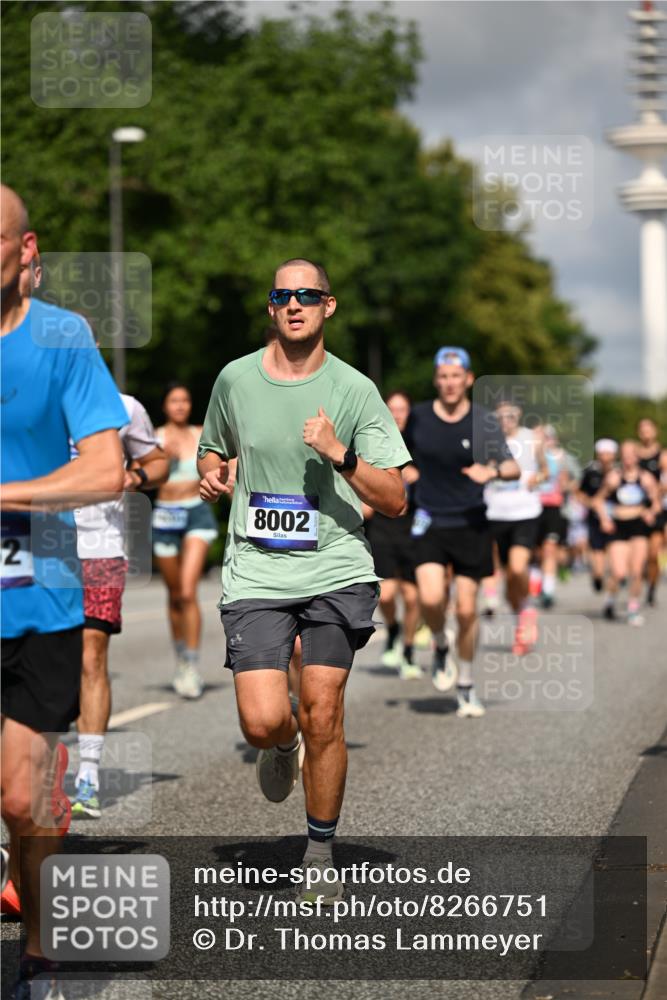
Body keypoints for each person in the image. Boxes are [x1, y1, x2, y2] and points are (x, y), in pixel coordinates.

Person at [198, 259, 409, 902]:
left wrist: (340, 453)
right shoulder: (235, 378)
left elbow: (396, 496)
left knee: (324, 711)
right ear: (271, 308)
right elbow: (211, 446)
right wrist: (211, 471)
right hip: (258, 567)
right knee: (265, 721)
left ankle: (319, 847)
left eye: (306, 296)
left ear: (328, 307)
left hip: (336, 567)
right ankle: (279, 745)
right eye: (282, 296)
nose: (294, 304)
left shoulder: (354, 390)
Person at [0, 185, 127, 996]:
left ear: (25, 250)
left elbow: (106, 468)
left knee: (19, 795)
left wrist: (6, 495)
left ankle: (40, 937)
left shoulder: (63, 337)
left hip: (36, 593)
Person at [405, 347, 519, 718]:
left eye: (456, 376)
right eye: (443, 376)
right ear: (436, 380)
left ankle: (467, 685)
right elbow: (397, 456)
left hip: (471, 522)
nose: (449, 383)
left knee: (468, 610)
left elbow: (513, 468)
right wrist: (404, 473)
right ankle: (440, 644)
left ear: (468, 379)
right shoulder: (418, 418)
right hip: (429, 519)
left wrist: (494, 472)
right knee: (431, 597)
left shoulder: (484, 422)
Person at [70, 394, 168, 818]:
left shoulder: (122, 407)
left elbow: (159, 461)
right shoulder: (26, 395)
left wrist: (135, 476)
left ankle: (87, 776)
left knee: (91, 655)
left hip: (100, 549)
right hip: (34, 549)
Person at [154, 383, 219, 699]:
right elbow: (140, 477)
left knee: (187, 589)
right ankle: (180, 657)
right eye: (173, 400)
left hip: (196, 514)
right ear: (165, 406)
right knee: (174, 595)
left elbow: (220, 466)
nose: (180, 405)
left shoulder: (201, 433)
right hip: (165, 516)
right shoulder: (155, 438)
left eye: (184, 400)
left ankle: (192, 664)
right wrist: (162, 461)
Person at [364, 390, 422, 679]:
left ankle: (409, 650)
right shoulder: (373, 440)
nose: (397, 414)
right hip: (383, 525)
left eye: (403, 409)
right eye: (393, 409)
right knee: (386, 596)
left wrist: (419, 476)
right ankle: (394, 629)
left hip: (415, 525)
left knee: (413, 598)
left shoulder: (421, 441)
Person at [483, 401, 544, 655]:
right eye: (501, 416)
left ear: (518, 416)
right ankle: (520, 617)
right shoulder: (486, 441)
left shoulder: (532, 439)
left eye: (510, 416)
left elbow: (545, 470)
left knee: (518, 568)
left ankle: (527, 608)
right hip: (494, 513)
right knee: (507, 579)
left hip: (525, 512)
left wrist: (537, 478)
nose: (506, 420)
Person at [594, 439, 660, 626]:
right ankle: (610, 600)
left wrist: (650, 512)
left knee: (637, 571)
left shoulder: (645, 478)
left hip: (638, 525)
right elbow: (598, 501)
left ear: (637, 457)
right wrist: (605, 519)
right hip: (618, 526)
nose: (628, 459)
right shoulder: (614, 478)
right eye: (625, 455)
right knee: (619, 572)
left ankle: (633, 609)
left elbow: (656, 502)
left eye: (632, 455)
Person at [534, 425, 573, 608]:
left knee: (550, 548)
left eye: (546, 437)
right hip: (531, 507)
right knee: (536, 552)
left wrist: (564, 487)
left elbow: (566, 481)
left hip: (553, 507)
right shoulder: (526, 457)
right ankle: (538, 582)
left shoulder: (559, 457)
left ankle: (548, 590)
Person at [576, 439, 618, 593]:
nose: (605, 457)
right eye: (602, 454)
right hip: (595, 519)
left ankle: (611, 593)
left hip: (616, 520)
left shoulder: (619, 472)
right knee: (598, 552)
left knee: (615, 557)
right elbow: (578, 491)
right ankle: (598, 576)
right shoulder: (590, 471)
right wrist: (588, 502)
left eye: (608, 454)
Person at [637, 418, 664, 605]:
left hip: (658, 508)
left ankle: (653, 586)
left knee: (654, 553)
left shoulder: (662, 455)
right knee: (642, 553)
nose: (646, 433)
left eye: (649, 429)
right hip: (637, 509)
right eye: (642, 429)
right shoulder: (633, 456)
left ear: (655, 431)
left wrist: (655, 492)